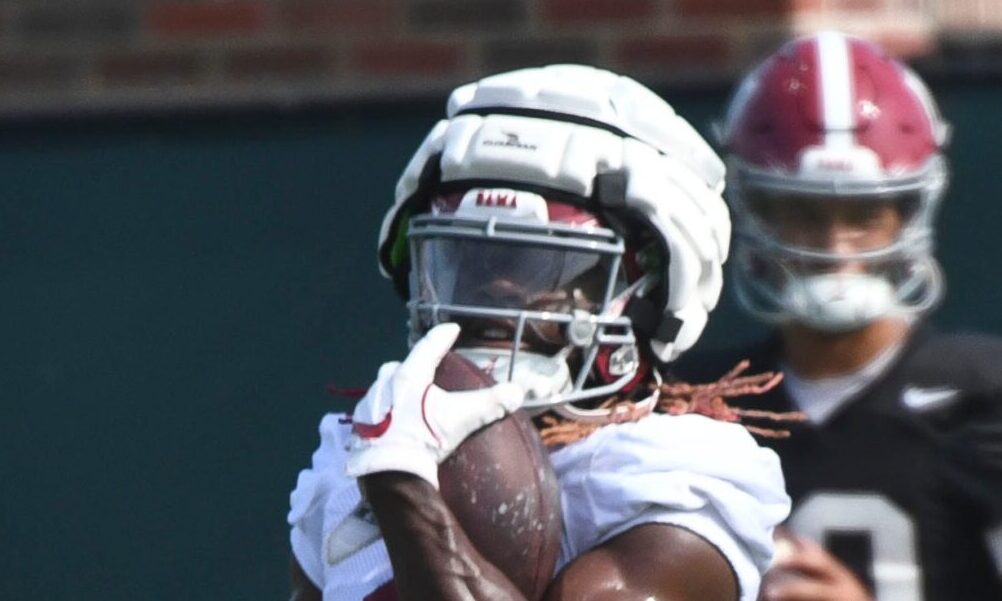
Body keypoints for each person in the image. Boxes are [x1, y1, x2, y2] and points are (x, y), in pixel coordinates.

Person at [286, 64, 792, 601]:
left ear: (651, 291)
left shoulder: (677, 471)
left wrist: (405, 488)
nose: (498, 291)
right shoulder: (353, 451)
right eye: (469, 261)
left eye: (546, 268)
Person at [674, 31, 1002, 601]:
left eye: (863, 213)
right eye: (804, 213)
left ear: (908, 214)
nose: (836, 245)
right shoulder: (692, 402)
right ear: (756, 214)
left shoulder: (985, 396)